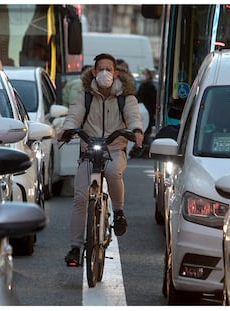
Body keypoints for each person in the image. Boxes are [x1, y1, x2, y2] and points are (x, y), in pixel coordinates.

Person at [57, 53, 144, 266]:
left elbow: (133, 116)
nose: (105, 73)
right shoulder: (84, 96)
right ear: (94, 72)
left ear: (115, 73)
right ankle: (75, 248)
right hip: (90, 151)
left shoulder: (126, 97)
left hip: (114, 149)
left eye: (109, 69)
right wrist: (67, 130)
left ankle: (119, 212)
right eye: (101, 69)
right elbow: (74, 115)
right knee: (80, 197)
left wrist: (136, 131)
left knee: (114, 172)